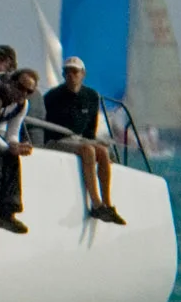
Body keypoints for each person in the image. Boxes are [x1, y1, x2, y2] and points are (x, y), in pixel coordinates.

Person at [40, 56, 125, 224]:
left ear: (83, 74)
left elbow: (89, 131)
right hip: (57, 139)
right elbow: (47, 129)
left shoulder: (91, 96)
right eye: (67, 72)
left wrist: (92, 141)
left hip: (79, 139)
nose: (71, 75)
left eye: (75, 72)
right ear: (63, 75)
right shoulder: (52, 97)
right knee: (88, 150)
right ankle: (96, 204)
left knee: (102, 151)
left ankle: (107, 203)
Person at [0, 53, 34, 233]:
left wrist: (15, 146)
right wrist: (8, 147)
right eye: (20, 87)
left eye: (29, 91)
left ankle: (9, 211)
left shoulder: (22, 105)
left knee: (12, 157)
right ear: (11, 82)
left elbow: (13, 132)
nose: (23, 93)